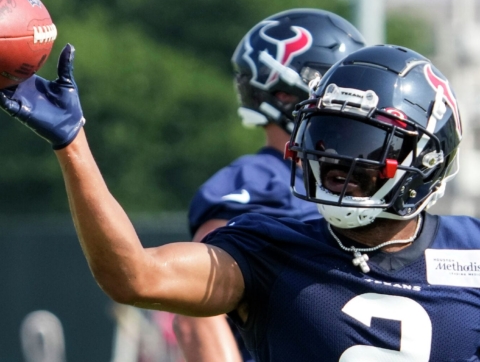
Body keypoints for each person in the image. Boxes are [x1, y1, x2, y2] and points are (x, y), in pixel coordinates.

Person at [1, 42, 479, 362]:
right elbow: (135, 276)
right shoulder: (269, 248)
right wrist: (73, 145)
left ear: (427, 160)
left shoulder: (472, 250)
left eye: (363, 144)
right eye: (327, 135)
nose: (336, 160)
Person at [173, 8, 366, 362]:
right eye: (336, 87)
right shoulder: (255, 184)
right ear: (286, 94)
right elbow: (196, 315)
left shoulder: (349, 185)